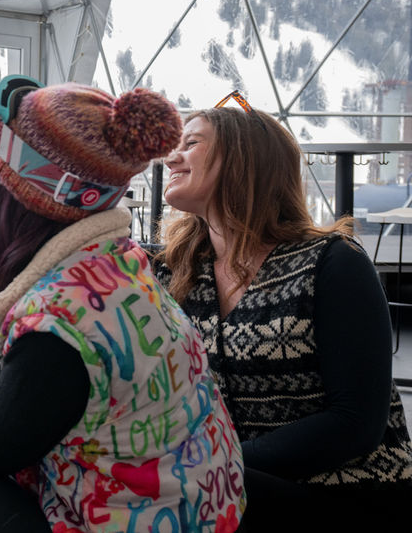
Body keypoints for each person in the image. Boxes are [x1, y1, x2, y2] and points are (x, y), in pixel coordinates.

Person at [0, 78, 246, 531]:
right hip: (192, 509)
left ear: (25, 197)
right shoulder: (123, 264)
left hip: (130, 519)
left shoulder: (59, 329)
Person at [154, 100, 412, 530]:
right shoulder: (177, 271)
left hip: (344, 489)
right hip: (226, 484)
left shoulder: (331, 263)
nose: (171, 156)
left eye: (191, 142)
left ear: (243, 160)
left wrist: (211, 465)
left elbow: (354, 423)